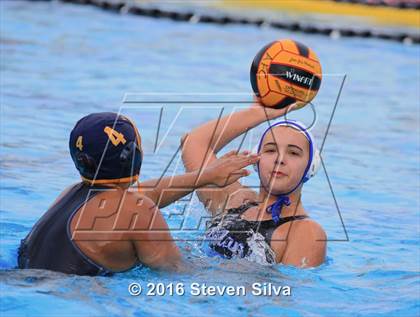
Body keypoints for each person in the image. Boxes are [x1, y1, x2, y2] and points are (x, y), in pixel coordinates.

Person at [17, 112, 259, 276]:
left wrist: (205, 176)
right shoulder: (138, 211)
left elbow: (142, 195)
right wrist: (241, 271)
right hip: (71, 298)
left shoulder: (71, 192)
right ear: (133, 156)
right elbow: (179, 275)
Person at [181, 102, 327, 267]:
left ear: (311, 167)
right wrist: (259, 112)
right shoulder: (234, 200)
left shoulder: (305, 232)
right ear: (256, 160)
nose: (280, 159)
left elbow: (288, 290)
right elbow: (192, 142)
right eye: (270, 150)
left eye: (293, 153)